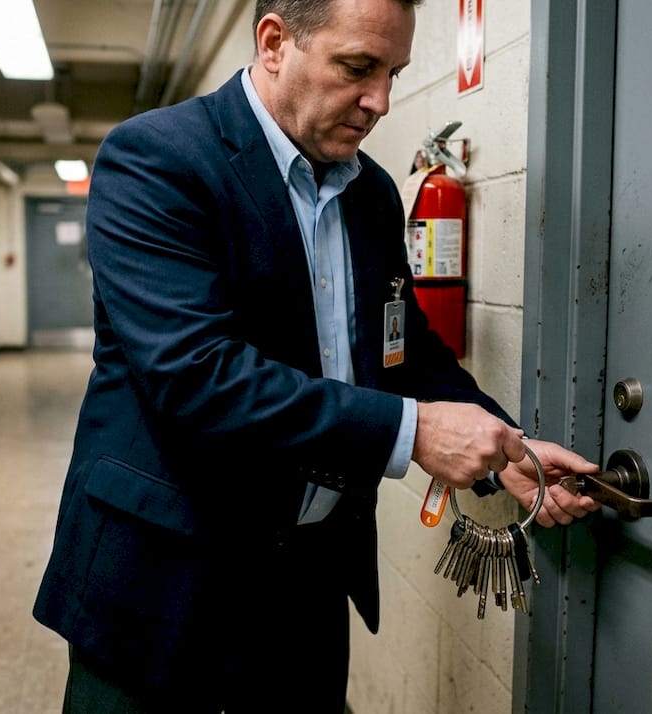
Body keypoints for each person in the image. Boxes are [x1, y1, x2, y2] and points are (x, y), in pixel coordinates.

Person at [33, 1, 600, 712]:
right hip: (166, 581)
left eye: (394, 73)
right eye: (358, 68)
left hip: (309, 579)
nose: (380, 101)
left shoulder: (371, 194)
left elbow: (401, 350)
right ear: (274, 42)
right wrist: (416, 432)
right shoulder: (159, 160)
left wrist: (508, 449)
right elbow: (198, 376)